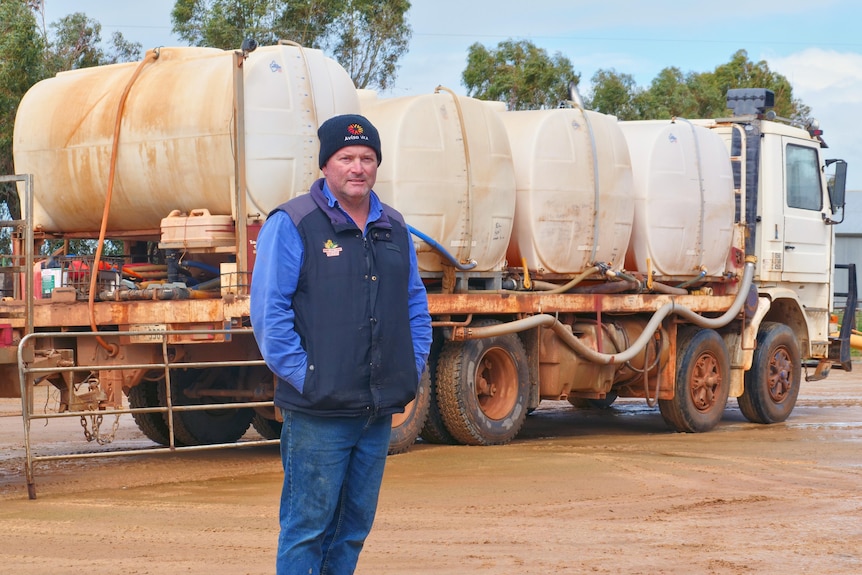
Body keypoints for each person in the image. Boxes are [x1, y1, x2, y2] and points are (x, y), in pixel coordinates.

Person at [250, 113, 432, 575]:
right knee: (306, 528)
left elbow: (415, 306)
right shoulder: (294, 223)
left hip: (375, 410)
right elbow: (269, 314)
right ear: (325, 165)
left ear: (377, 165)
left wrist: (407, 368)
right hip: (318, 411)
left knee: (352, 527)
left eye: (367, 158)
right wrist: (307, 377)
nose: (358, 167)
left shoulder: (394, 227)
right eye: (346, 157)